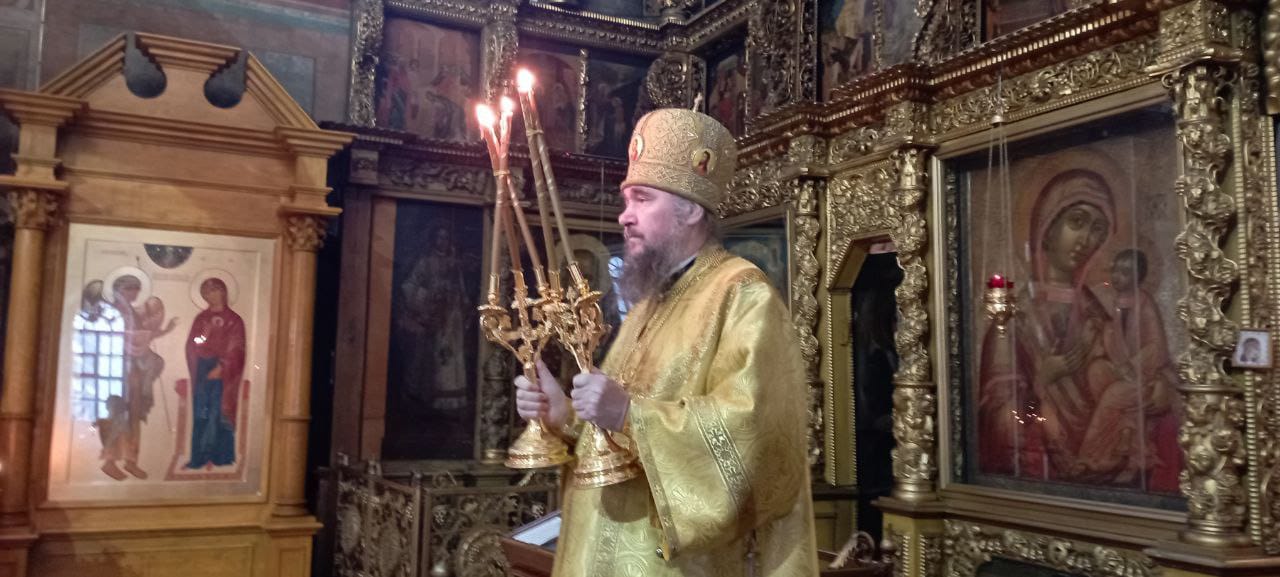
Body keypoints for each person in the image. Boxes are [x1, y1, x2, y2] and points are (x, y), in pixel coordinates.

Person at [514, 108, 818, 576]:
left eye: (642, 199)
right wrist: (566, 419)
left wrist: (630, 414)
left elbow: (758, 441)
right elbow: (611, 439)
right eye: (625, 200)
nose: (625, 216)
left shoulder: (743, 294)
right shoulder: (648, 303)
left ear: (690, 209)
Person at [976, 170, 1179, 491]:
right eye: (1077, 222)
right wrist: (1043, 379)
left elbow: (1135, 361)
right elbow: (999, 421)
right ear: (1046, 227)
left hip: (1118, 469)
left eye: (1097, 229)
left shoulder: (1098, 310)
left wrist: (1162, 387)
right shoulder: (1014, 318)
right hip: (1044, 478)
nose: (1087, 239)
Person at [184, 277, 246, 469]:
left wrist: (222, 367)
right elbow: (193, 343)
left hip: (224, 371)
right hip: (202, 368)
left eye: (214, 290)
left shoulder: (234, 320)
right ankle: (200, 456)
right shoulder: (201, 319)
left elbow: (237, 348)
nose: (210, 295)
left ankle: (221, 455)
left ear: (223, 291)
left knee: (218, 412)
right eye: (206, 292)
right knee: (201, 412)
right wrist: (204, 334)